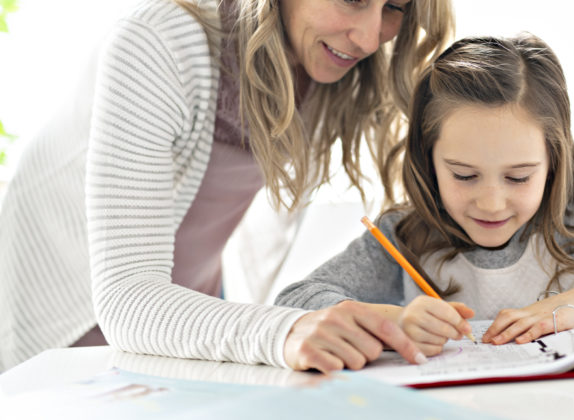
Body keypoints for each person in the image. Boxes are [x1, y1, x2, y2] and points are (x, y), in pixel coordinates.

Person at [0, 0, 454, 373]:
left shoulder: (332, 68)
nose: (370, 38)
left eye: (393, 7)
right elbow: (127, 299)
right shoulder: (157, 42)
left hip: (189, 312)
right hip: (68, 320)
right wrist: (286, 329)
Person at [275, 34, 574, 357]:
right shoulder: (403, 238)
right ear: (428, 158)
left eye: (519, 177)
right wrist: (392, 322)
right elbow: (292, 303)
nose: (492, 203)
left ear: (553, 162)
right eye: (463, 175)